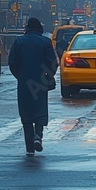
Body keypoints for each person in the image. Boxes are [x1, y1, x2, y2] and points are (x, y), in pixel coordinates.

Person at [9, 17, 59, 156]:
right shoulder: (45, 41)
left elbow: (12, 62)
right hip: (40, 82)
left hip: (24, 82)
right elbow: (53, 62)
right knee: (40, 110)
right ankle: (38, 135)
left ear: (27, 28)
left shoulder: (19, 42)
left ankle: (29, 148)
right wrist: (47, 77)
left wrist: (20, 76)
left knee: (26, 114)